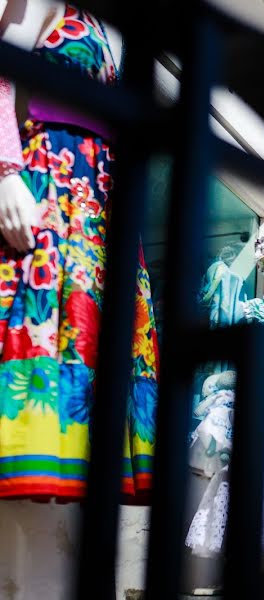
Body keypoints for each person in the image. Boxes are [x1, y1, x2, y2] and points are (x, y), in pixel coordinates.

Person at [0, 1, 160, 501]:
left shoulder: (103, 21)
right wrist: (6, 174)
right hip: (58, 178)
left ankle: (75, 459)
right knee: (51, 315)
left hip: (98, 192)